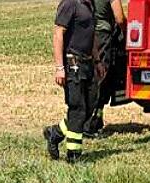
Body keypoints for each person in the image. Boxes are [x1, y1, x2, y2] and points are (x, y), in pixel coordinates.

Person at [43, 0, 105, 163]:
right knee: (77, 108)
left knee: (90, 105)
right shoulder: (69, 4)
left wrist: (97, 61)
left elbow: (91, 35)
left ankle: (55, 133)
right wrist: (59, 67)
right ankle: (74, 155)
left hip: (88, 64)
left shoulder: (89, 5)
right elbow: (58, 34)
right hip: (73, 64)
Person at [84, 0, 125, 137]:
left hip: (85, 35)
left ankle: (94, 121)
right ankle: (89, 124)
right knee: (101, 78)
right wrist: (126, 34)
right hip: (102, 36)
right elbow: (119, 19)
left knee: (91, 78)